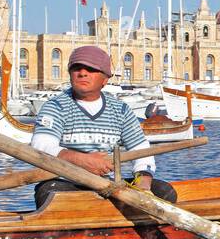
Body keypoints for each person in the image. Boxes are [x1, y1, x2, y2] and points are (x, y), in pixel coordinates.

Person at [30, 45, 177, 208]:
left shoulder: (120, 110)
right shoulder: (56, 106)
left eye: (91, 69)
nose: (83, 73)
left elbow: (141, 151)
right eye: (77, 68)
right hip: (64, 182)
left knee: (165, 191)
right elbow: (41, 147)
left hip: (107, 185)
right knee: (51, 196)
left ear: (105, 79)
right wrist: (83, 161)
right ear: (70, 73)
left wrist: (143, 185)